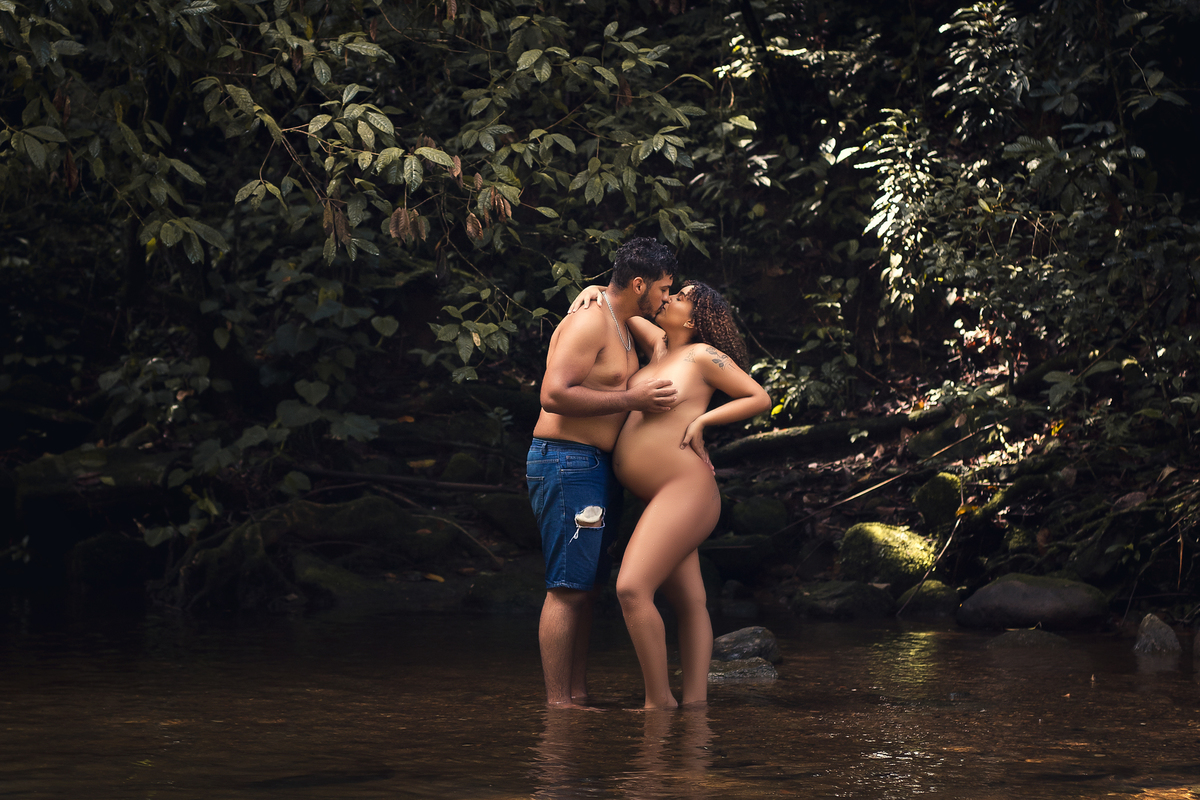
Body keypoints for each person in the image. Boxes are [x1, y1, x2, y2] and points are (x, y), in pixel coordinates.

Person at [570, 280, 771, 709]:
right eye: (671, 292)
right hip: (663, 495)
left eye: (679, 297)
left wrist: (702, 422)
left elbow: (759, 397)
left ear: (695, 318)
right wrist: (593, 288)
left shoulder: (701, 355)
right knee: (690, 600)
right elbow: (620, 306)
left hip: (687, 491)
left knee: (631, 588)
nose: (669, 298)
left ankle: (659, 702)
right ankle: (695, 709)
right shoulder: (660, 346)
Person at [527, 237, 680, 709]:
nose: (666, 299)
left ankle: (577, 696)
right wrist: (631, 399)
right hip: (566, 460)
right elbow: (553, 394)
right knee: (567, 588)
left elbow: (668, 338)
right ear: (639, 283)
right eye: (663, 289)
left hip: (593, 468)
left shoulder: (620, 316)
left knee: (587, 588)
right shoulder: (591, 321)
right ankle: (559, 707)